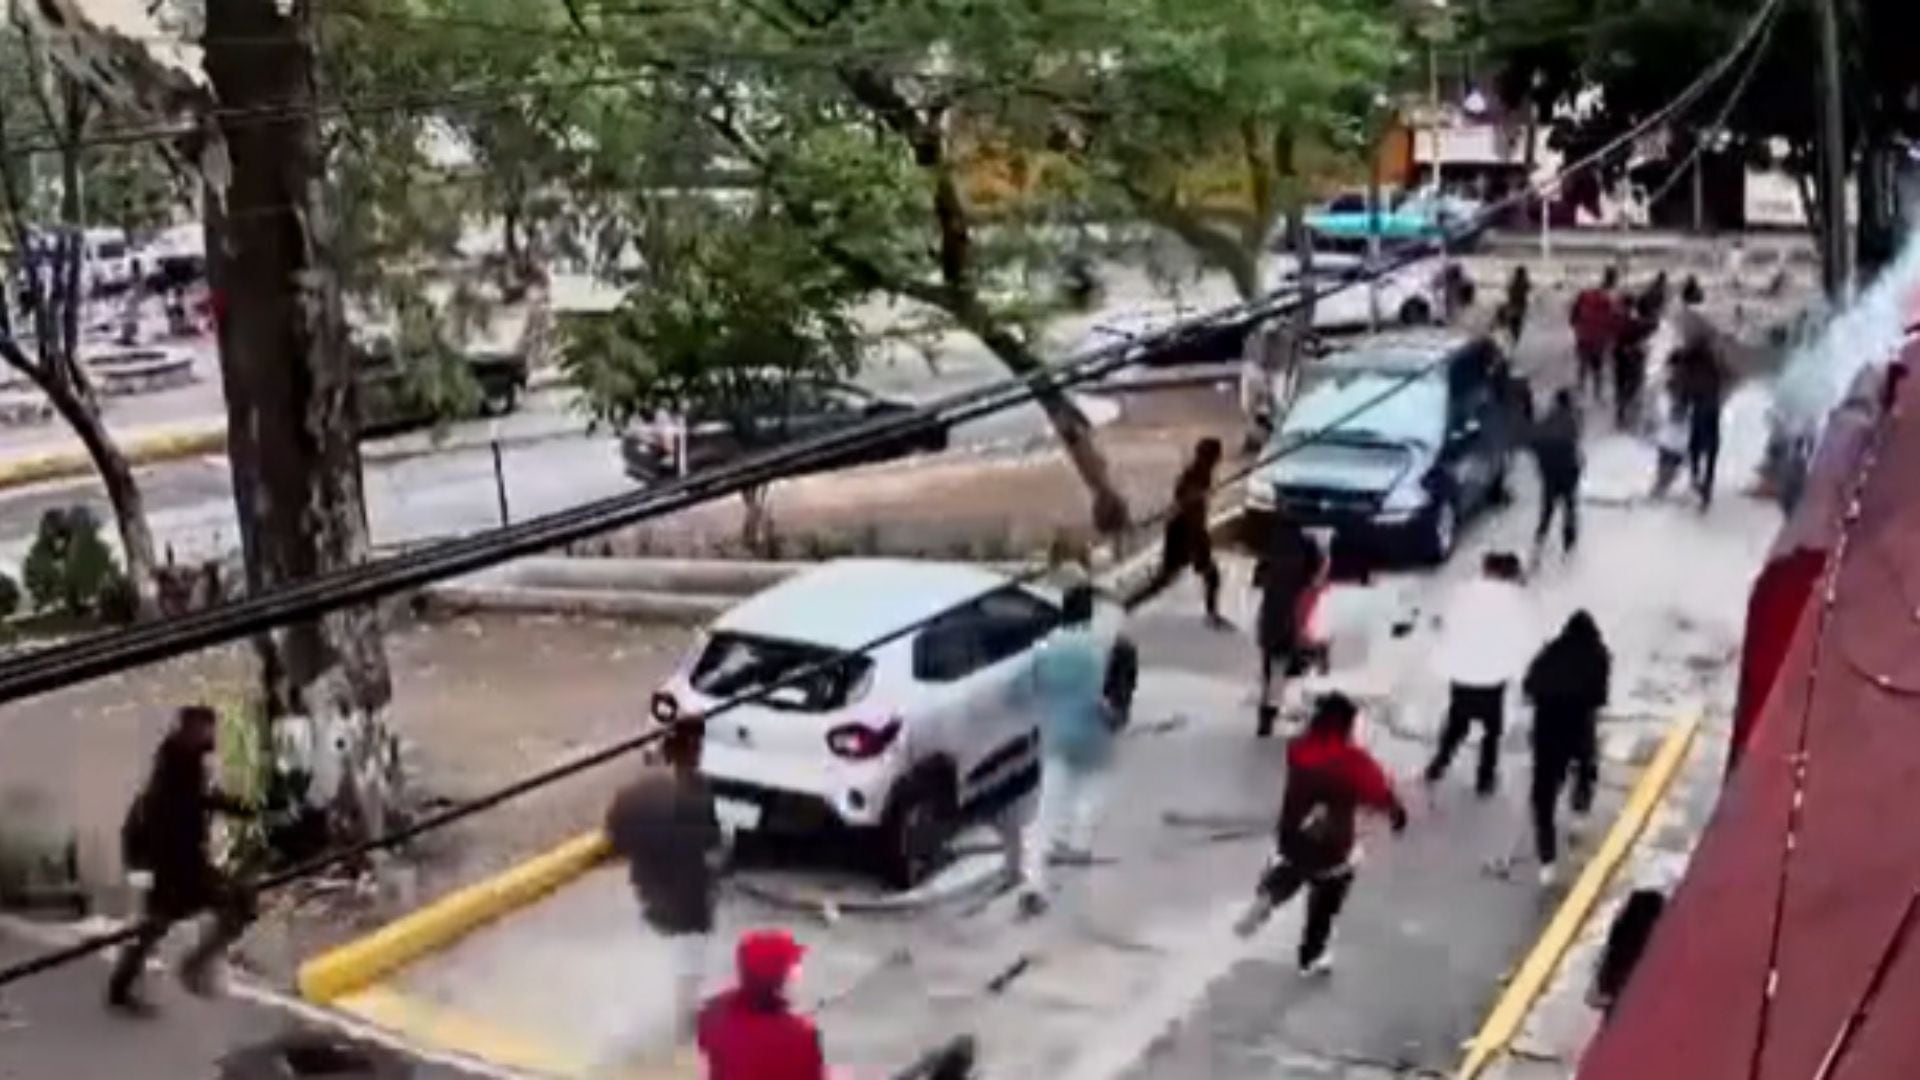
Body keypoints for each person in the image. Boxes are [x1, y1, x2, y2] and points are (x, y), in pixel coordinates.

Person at [1233, 693, 1408, 975]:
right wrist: (1397, 813)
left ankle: (1270, 894)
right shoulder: (1353, 761)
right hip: (1331, 843)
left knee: (1292, 866)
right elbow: (1378, 793)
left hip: (1292, 833)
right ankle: (1310, 956)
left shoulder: (1298, 748)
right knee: (1329, 893)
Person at [109, 705, 256, 1014]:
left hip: (186, 863)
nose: (211, 735)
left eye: (210, 728)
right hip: (170, 868)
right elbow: (142, 821)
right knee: (154, 928)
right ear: (188, 730)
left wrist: (242, 808)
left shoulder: (187, 765)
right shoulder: (173, 770)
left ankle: (192, 963)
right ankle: (182, 969)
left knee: (239, 903)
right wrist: (140, 870)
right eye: (205, 729)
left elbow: (204, 798)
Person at [605, 721, 724, 1051]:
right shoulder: (698, 791)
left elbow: (616, 834)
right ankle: (682, 1026)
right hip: (688, 894)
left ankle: (633, 1017)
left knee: (650, 950)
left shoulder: (638, 791)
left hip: (648, 887)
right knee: (687, 963)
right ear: (694, 751)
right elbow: (710, 842)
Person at [1019, 584, 1119, 915]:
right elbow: (1104, 695)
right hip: (1094, 737)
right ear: (1089, 613)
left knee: (1046, 813)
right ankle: (1079, 845)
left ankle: (1035, 881)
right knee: (1093, 793)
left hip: (1057, 737)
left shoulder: (1044, 649)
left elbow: (1027, 690)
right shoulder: (1098, 647)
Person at [1424, 553, 1535, 796]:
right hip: (1491, 679)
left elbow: (1442, 623)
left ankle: (1439, 764)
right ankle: (1484, 779)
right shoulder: (1514, 601)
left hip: (1462, 675)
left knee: (1457, 723)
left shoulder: (1464, 592)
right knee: (1492, 731)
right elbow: (1523, 641)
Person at [1523, 611, 1611, 884]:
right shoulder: (1599, 655)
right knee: (1586, 767)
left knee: (1543, 796)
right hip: (1577, 731)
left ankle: (1547, 859)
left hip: (1546, 732)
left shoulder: (1550, 651)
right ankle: (1579, 809)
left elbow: (1529, 685)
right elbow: (1599, 696)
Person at [696, 930, 827, 1080]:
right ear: (780, 977)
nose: (799, 972)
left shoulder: (714, 1015)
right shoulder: (801, 1036)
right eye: (795, 964)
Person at [1133, 438, 1227, 627]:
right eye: (1216, 456)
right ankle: (1128, 606)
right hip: (1186, 530)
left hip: (1186, 529)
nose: (1218, 460)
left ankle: (1212, 614)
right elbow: (1188, 505)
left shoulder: (1201, 474)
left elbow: (1188, 501)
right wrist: (1198, 540)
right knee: (1172, 578)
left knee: (1178, 577)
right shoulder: (1196, 475)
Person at [1253, 515, 1327, 739]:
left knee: (1274, 670)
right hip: (1293, 617)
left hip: (1273, 619)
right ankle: (1301, 711)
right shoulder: (1308, 545)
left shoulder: (1272, 546)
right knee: (1288, 665)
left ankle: (1267, 717)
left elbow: (1258, 577)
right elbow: (1316, 577)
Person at [1530, 389, 1583, 559]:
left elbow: (1536, 444)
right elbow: (1574, 446)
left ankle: (1538, 546)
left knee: (1546, 512)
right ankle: (1568, 547)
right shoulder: (1572, 421)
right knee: (1569, 509)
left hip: (1550, 474)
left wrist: (1542, 467)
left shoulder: (1546, 421)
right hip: (1568, 473)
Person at [1570, 268, 1622, 403]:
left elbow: (1574, 314)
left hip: (1587, 336)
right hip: (1597, 338)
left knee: (1584, 365)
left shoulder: (1588, 294)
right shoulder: (1610, 299)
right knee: (1595, 367)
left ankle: (1581, 391)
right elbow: (1613, 321)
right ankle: (1596, 394)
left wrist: (1576, 327)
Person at [1502, 265, 1533, 346]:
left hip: (1512, 310)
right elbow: (1530, 288)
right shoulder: (1523, 283)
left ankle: (1514, 345)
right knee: (1519, 331)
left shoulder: (1512, 282)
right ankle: (1517, 346)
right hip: (1519, 309)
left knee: (1514, 331)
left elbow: (1507, 291)